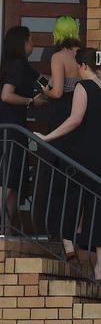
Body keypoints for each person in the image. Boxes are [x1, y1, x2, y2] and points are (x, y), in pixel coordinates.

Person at [36, 47, 101, 282]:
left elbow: (75, 119)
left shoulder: (84, 87)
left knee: (70, 194)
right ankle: (100, 269)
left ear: (83, 66)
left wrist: (48, 137)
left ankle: (69, 242)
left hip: (86, 155)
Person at [38, 17, 83, 254]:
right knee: (74, 176)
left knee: (54, 175)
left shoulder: (58, 57)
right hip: (81, 115)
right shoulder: (84, 55)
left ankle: (54, 231)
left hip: (60, 116)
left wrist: (45, 90)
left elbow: (56, 91)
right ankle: (72, 231)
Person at [0, 26, 45, 231]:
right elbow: (6, 95)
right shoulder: (17, 66)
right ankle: (3, 227)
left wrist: (68, 82)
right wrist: (30, 101)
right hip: (9, 131)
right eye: (30, 40)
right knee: (9, 178)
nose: (33, 44)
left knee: (14, 180)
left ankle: (7, 229)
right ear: (22, 42)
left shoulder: (23, 67)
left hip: (15, 130)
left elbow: (44, 81)